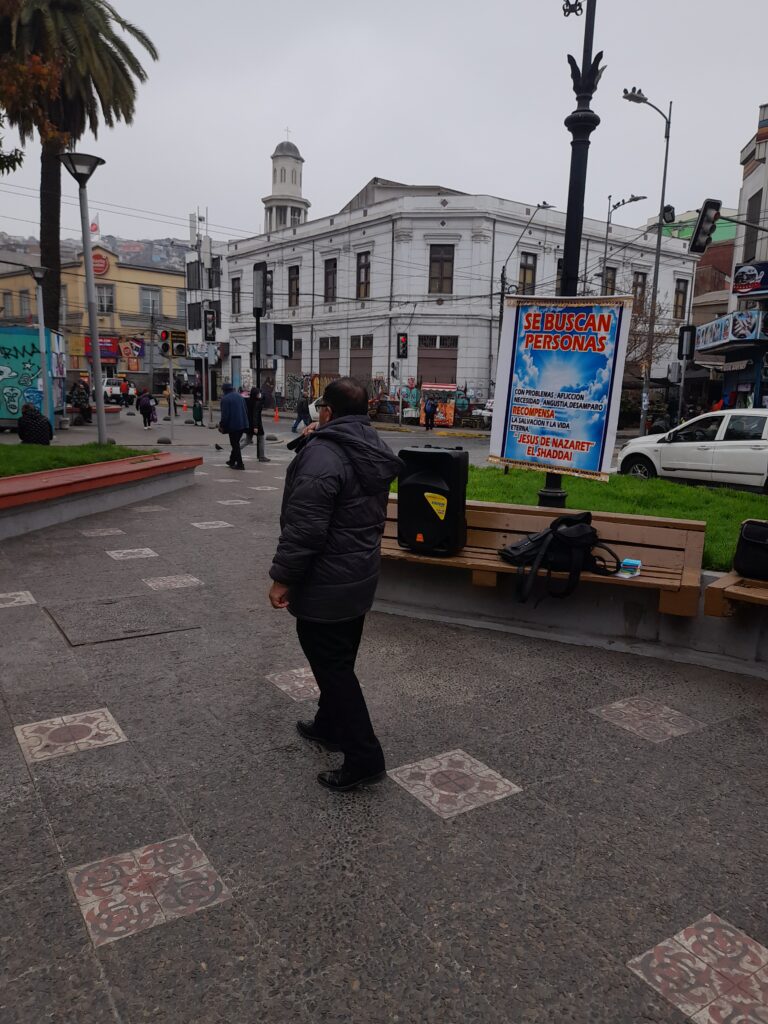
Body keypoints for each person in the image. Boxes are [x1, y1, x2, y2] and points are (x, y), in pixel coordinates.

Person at [268, 377, 403, 792]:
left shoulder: (324, 454)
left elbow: (306, 529)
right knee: (339, 657)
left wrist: (283, 578)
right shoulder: (369, 444)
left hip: (326, 580)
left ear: (327, 411)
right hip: (358, 576)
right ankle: (328, 725)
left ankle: (364, 756)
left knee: (333, 667)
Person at [219, 381, 249, 470]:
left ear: (224, 390)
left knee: (235, 444)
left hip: (233, 426)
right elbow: (246, 410)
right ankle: (232, 461)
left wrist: (222, 425)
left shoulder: (225, 399)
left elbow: (225, 415)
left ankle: (240, 464)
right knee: (235, 443)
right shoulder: (240, 396)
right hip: (243, 424)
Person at [246, 386, 271, 462]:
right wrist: (256, 426)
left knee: (247, 440)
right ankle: (261, 456)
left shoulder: (249, 401)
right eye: (258, 393)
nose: (259, 394)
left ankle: (235, 451)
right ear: (255, 394)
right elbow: (255, 415)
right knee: (261, 439)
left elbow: (262, 399)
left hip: (249, 423)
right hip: (256, 424)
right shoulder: (257, 403)